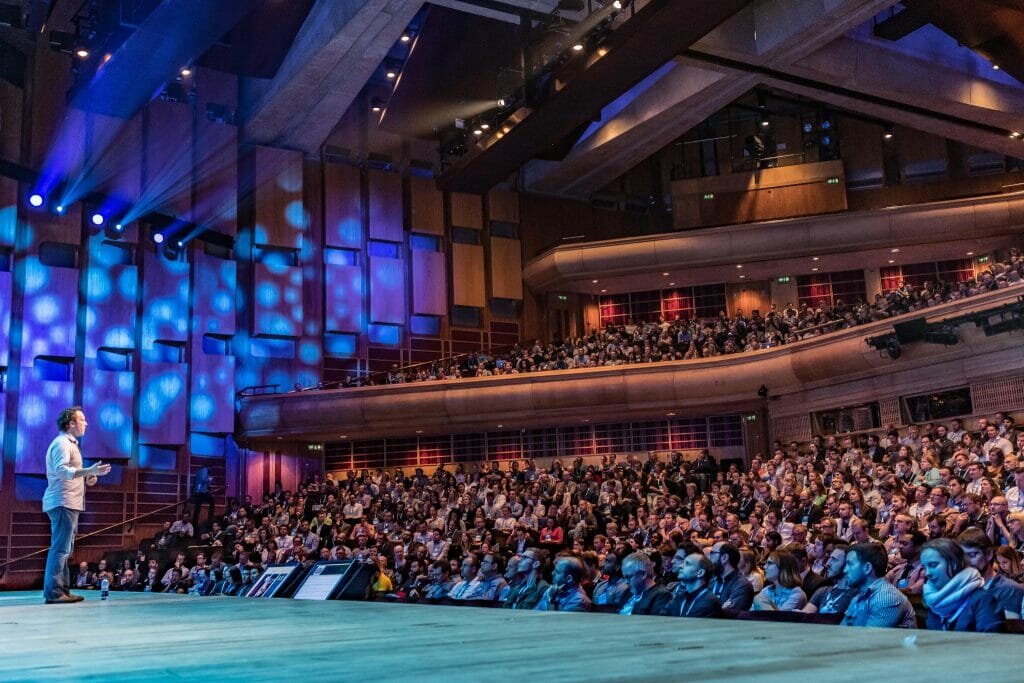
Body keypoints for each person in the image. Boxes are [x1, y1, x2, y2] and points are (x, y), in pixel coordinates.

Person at [42, 407, 111, 604]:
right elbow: (62, 471)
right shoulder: (62, 444)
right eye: (82, 420)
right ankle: (55, 593)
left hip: (69, 502)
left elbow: (71, 474)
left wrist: (88, 477)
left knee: (65, 549)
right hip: (63, 502)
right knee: (60, 549)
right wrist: (88, 469)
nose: (86, 423)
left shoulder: (70, 444)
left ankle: (62, 590)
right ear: (71, 423)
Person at [921, 538, 1005, 632]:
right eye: (924, 567)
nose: (927, 573)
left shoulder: (984, 600)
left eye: (933, 565)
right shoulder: (933, 600)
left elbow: (991, 643)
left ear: (954, 564)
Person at [841, 542, 916, 628]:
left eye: (850, 564)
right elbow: (842, 632)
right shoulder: (858, 597)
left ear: (867, 568)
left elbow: (868, 639)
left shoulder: (887, 597)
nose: (845, 570)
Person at [956, 528, 1024, 618]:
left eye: (972, 555)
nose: (967, 562)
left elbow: (1006, 630)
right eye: (962, 557)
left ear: (989, 554)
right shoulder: (960, 589)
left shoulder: (1009, 589)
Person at [664, 552, 722, 618]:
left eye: (687, 564)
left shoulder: (710, 601)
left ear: (700, 573)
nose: (680, 566)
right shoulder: (679, 598)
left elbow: (688, 626)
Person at [709, 542, 754, 611]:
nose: (709, 558)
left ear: (724, 558)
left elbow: (729, 615)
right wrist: (720, 609)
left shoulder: (742, 585)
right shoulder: (712, 580)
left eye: (712, 553)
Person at [190, 466, 215, 530]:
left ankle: (194, 526)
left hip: (198, 491)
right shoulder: (205, 469)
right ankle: (210, 520)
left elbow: (205, 483)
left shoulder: (199, 471)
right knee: (212, 502)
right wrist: (209, 479)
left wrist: (209, 480)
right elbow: (204, 479)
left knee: (197, 509)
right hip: (202, 491)